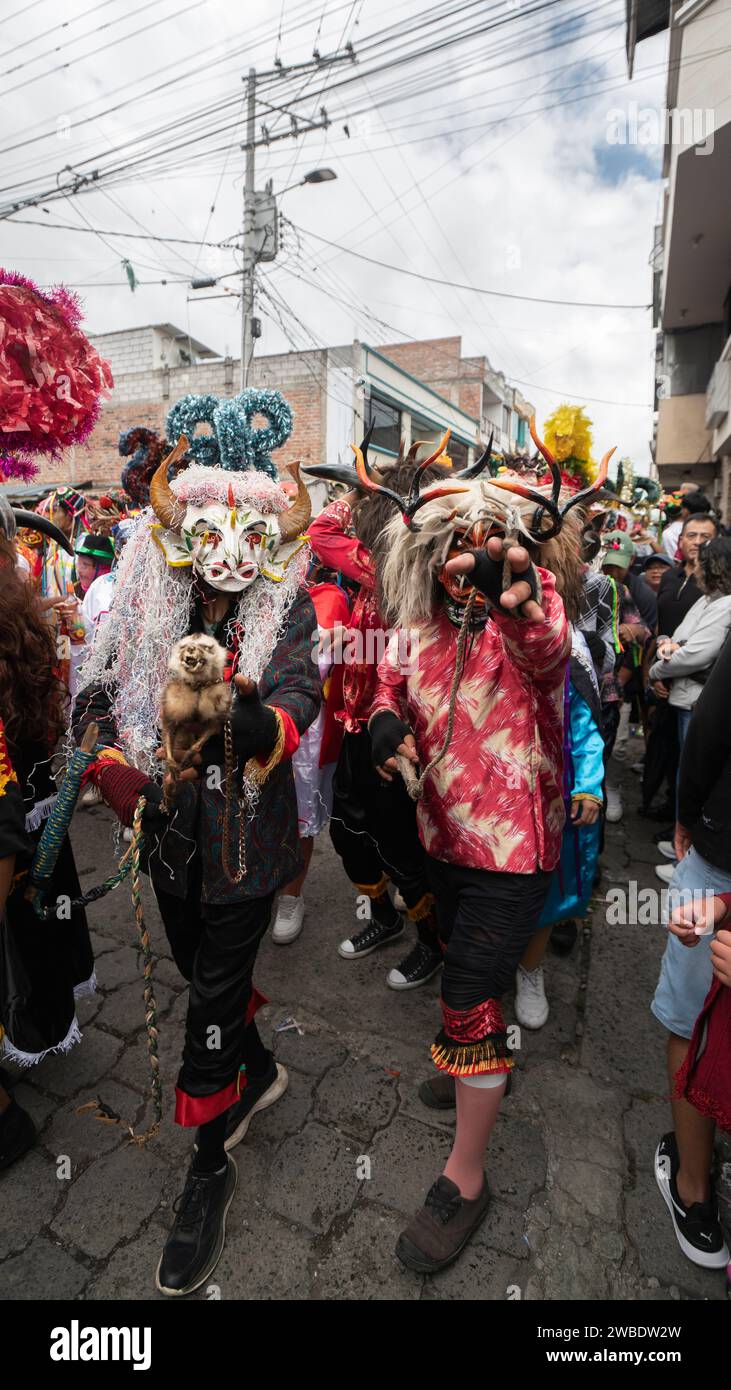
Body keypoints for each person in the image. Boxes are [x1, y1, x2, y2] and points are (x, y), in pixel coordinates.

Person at [72, 402, 321, 1297]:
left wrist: (254, 715)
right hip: (168, 840)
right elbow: (95, 690)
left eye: (245, 536)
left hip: (248, 844)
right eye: (208, 535)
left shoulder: (284, 612)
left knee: (208, 1003)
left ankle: (208, 1164)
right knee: (192, 966)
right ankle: (256, 1068)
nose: (225, 560)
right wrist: (111, 769)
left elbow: (298, 694)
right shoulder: (146, 601)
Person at [365, 421, 605, 1271]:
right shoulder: (417, 624)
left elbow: (547, 663)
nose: (463, 568)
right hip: (440, 839)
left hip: (513, 853)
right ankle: (480, 1067)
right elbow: (388, 684)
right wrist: (384, 721)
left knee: (468, 989)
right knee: (468, 979)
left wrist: (524, 604)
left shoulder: (532, 621)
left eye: (483, 550)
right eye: (449, 552)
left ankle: (465, 1176)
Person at [306, 439, 447, 991]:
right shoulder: (374, 569)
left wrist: (373, 486)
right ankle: (383, 919)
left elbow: (322, 532)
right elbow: (322, 534)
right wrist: (373, 486)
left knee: (403, 847)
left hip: (406, 738)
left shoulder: (415, 574)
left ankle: (431, 944)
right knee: (348, 835)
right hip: (355, 725)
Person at [0, 515, 95, 1169]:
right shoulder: (28, 614)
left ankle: (36, 1024)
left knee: (31, 926)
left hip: (22, 818)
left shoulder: (28, 622)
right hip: (32, 811)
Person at [650, 628, 731, 1269]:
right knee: (689, 1014)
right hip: (721, 860)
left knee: (690, 1017)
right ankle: (692, 1182)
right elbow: (708, 730)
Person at [514, 627, 604, 1025]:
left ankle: (530, 970)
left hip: (550, 798)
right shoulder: (467, 635)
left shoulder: (566, 648)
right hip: (488, 795)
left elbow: (584, 729)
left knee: (547, 890)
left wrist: (588, 785)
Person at [649, 537, 731, 884]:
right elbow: (675, 639)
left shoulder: (726, 604)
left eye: (701, 563)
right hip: (682, 696)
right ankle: (683, 844)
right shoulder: (709, 601)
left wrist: (657, 669)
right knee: (684, 769)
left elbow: (693, 653)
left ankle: (691, 854)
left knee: (694, 772)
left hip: (695, 699)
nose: (693, 570)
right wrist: (666, 647)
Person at [642, 512, 719, 825]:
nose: (698, 542)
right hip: (666, 671)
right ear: (681, 539)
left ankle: (682, 826)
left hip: (695, 683)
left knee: (690, 760)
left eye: (706, 536)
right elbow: (664, 625)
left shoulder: (716, 587)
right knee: (665, 748)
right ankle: (666, 810)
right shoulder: (671, 576)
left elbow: (705, 648)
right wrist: (657, 663)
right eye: (692, 535)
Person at [599, 531, 651, 821]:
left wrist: (633, 632)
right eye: (607, 565)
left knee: (615, 747)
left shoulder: (628, 592)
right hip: (581, 688)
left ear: (630, 562)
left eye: (618, 566)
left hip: (614, 686)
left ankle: (611, 789)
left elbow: (643, 635)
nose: (612, 572)